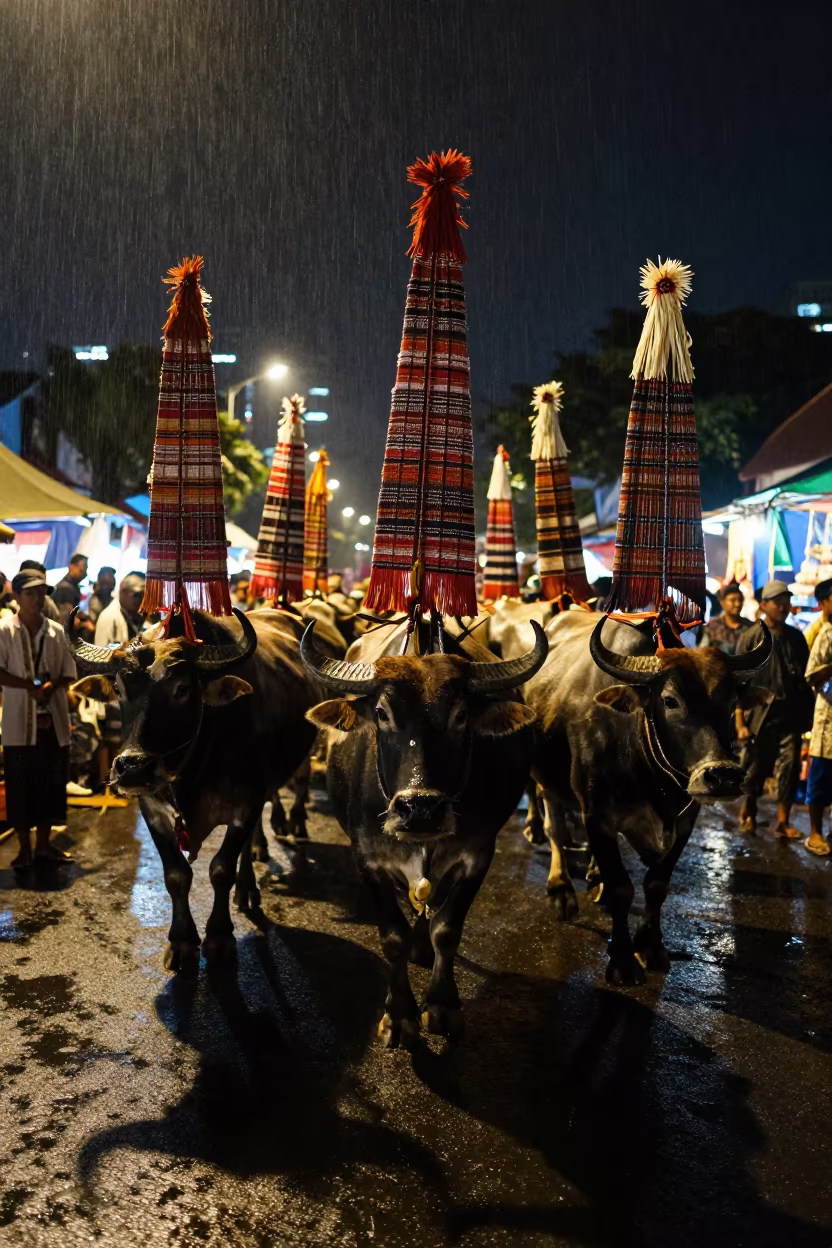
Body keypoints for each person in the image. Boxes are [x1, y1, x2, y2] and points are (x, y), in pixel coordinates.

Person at [0, 568, 77, 867]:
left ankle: (44, 845)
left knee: (51, 784)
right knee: (20, 786)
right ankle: (24, 849)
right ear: (16, 595)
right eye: (30, 592)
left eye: (41, 592)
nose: (37, 598)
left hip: (53, 723)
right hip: (19, 723)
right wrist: (28, 687)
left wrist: (51, 686)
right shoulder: (5, 630)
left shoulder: (57, 632)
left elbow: (68, 674)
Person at [736, 579, 812, 839]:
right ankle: (748, 808)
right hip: (759, 716)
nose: (783, 605)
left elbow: (805, 677)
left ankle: (782, 821)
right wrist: (740, 723)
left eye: (786, 600)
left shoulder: (796, 637)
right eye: (777, 601)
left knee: (789, 766)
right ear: (764, 604)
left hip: (789, 714)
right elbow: (739, 683)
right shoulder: (751, 637)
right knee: (755, 766)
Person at [802, 580, 832, 856]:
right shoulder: (825, 632)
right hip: (827, 719)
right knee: (820, 777)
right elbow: (811, 675)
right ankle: (814, 833)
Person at [94, 573, 146, 646]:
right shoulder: (108, 617)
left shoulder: (133, 615)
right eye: (137, 596)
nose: (140, 601)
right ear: (123, 592)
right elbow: (100, 653)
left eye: (142, 596)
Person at [700, 582, 751, 655]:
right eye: (732, 600)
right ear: (722, 602)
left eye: (740, 600)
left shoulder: (749, 626)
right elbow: (703, 651)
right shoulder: (713, 625)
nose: (737, 604)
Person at [51, 553, 89, 620]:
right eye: (81, 571)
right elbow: (67, 617)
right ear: (71, 566)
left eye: (85, 572)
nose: (84, 575)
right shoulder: (66, 588)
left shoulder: (72, 586)